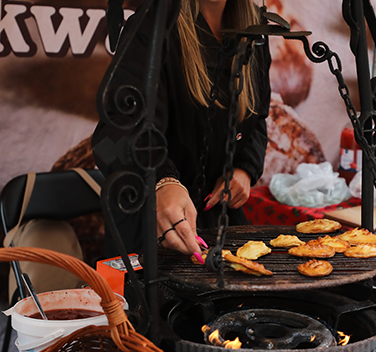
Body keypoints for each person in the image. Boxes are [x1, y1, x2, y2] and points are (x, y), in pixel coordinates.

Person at [92, 0, 271, 259]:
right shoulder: (152, 25)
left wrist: (244, 168)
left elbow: (257, 118)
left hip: (218, 215)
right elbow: (113, 136)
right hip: (153, 224)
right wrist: (161, 182)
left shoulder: (257, 30)